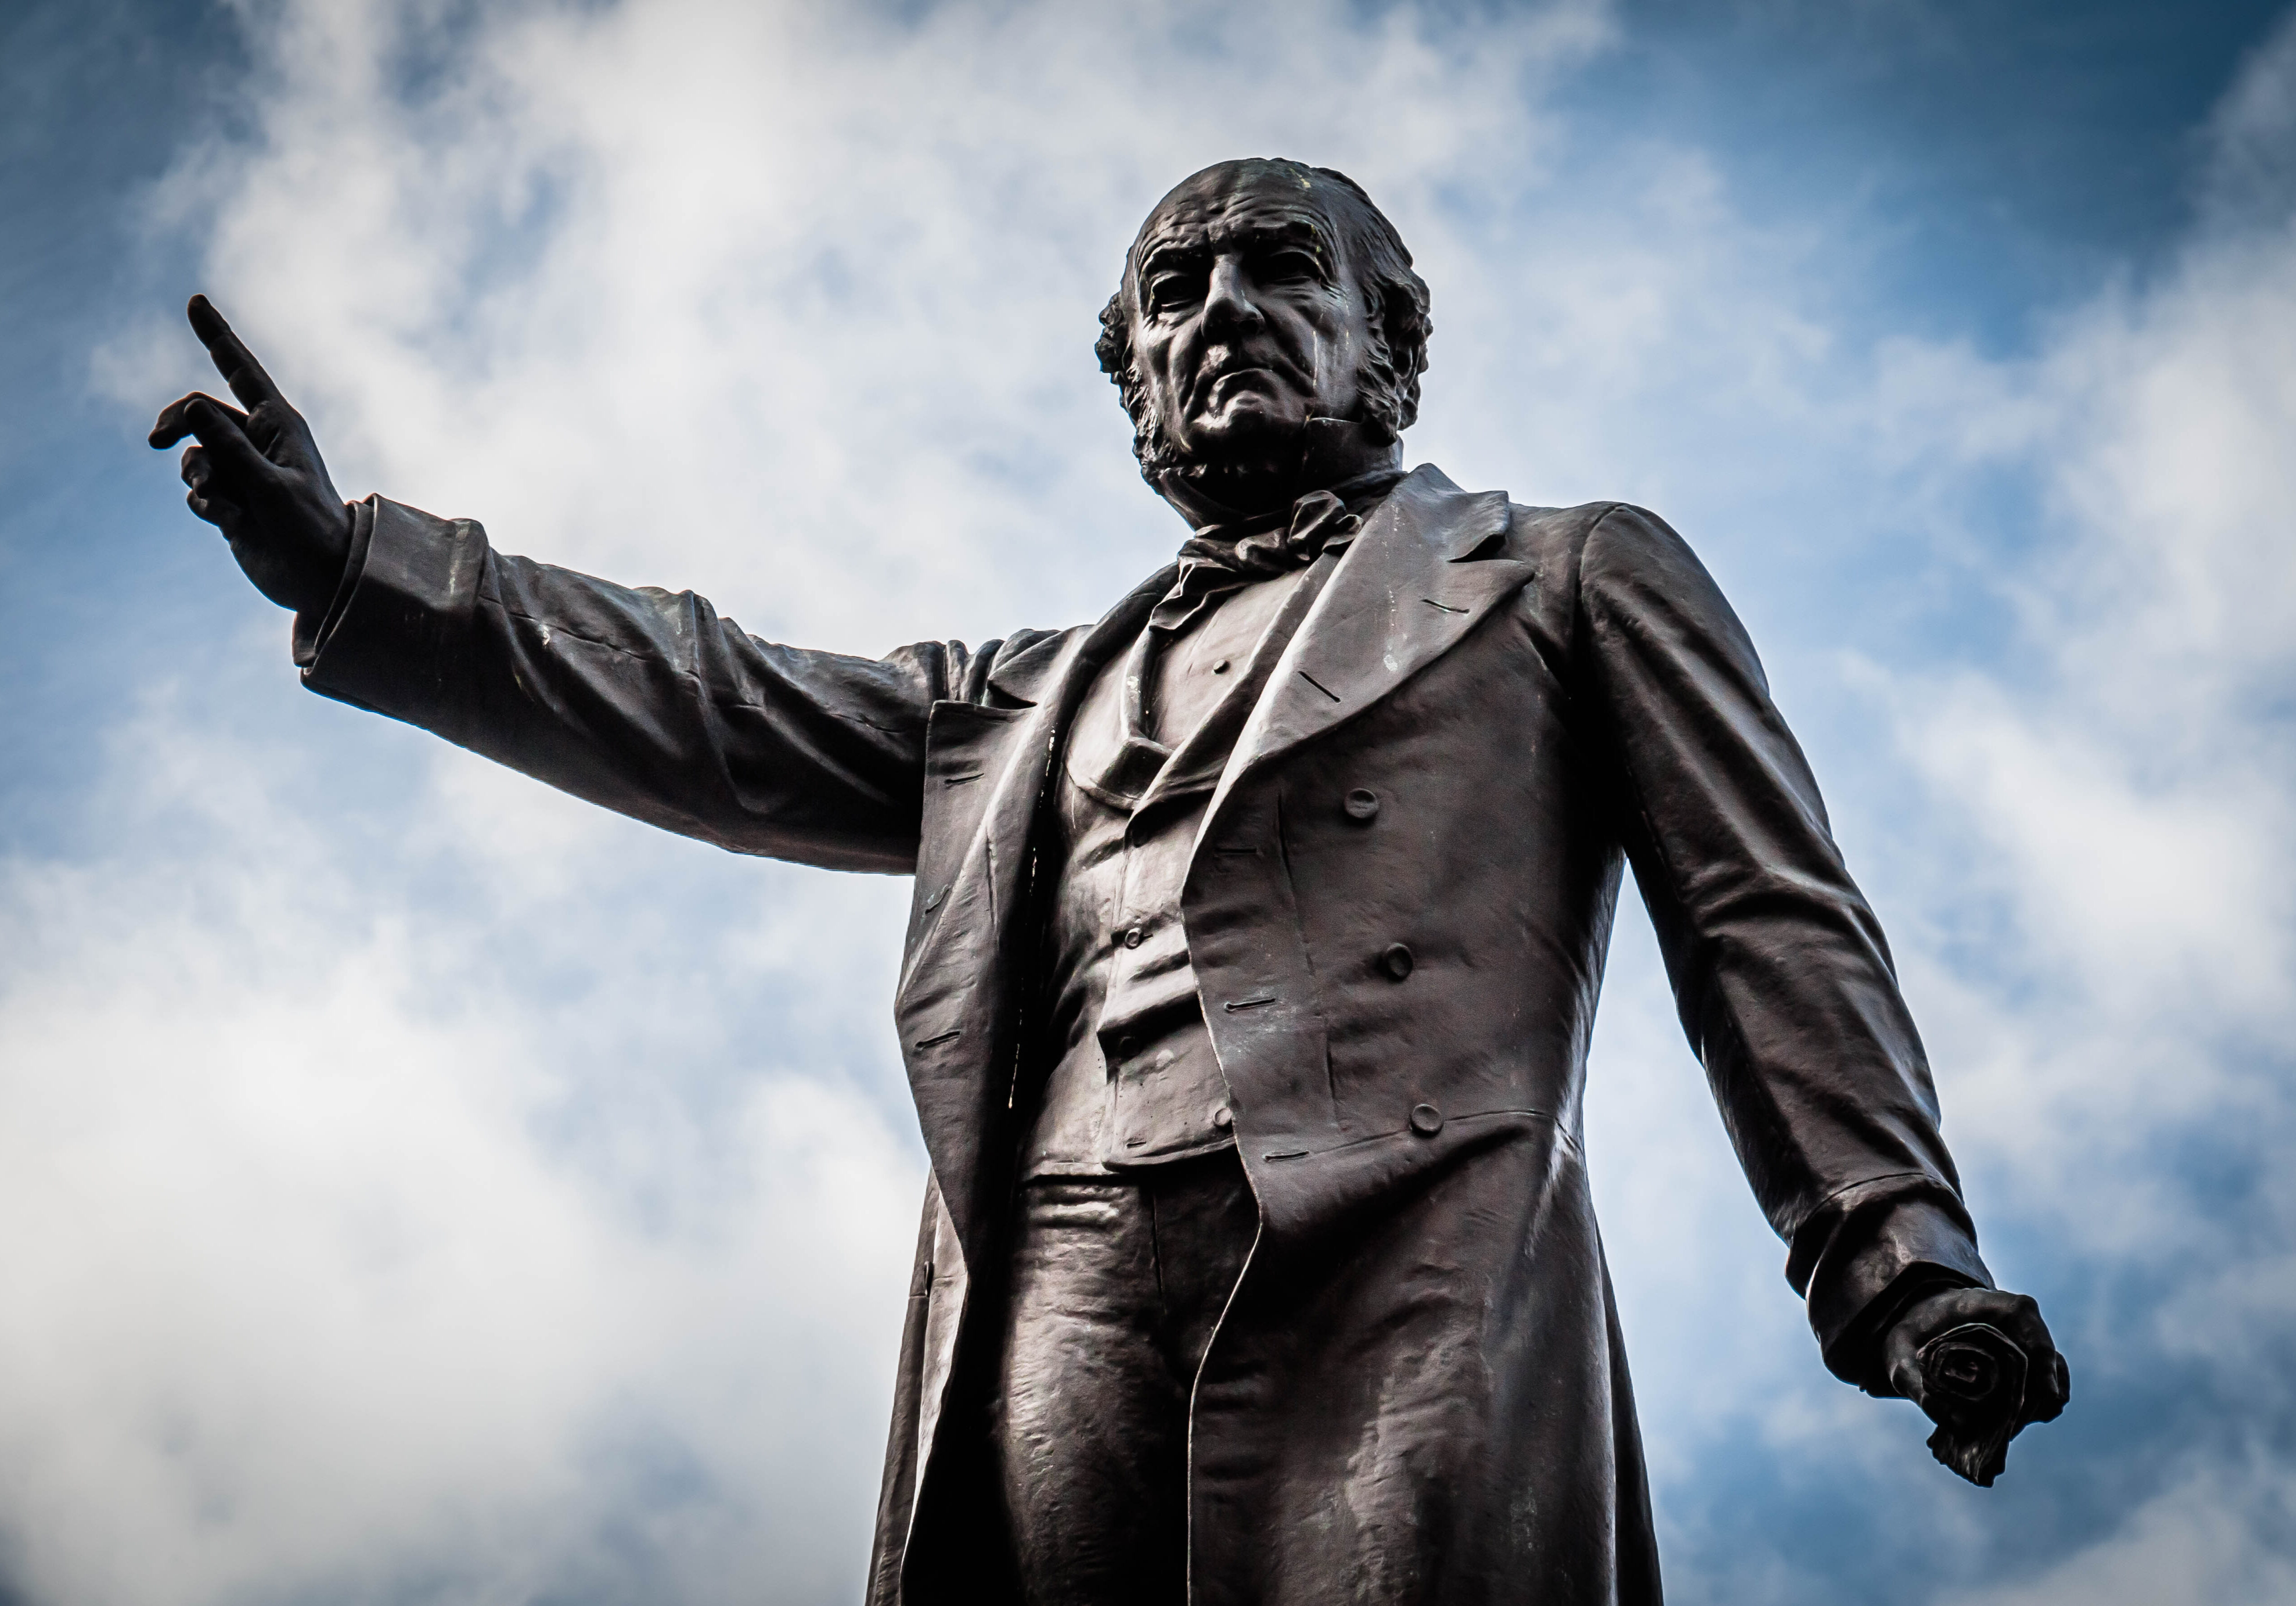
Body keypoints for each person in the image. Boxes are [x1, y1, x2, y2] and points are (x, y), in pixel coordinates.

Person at [151, 157, 2067, 1606]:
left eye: (1277, 264)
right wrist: (362, 570)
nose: (1220, 304)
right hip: (1060, 1275)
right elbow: (710, 701)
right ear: (1136, 377)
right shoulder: (1020, 702)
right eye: (1173, 287)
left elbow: (1766, 918)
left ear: (1391, 342)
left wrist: (1898, 1265)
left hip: (1403, 1257)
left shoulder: (1565, 577)